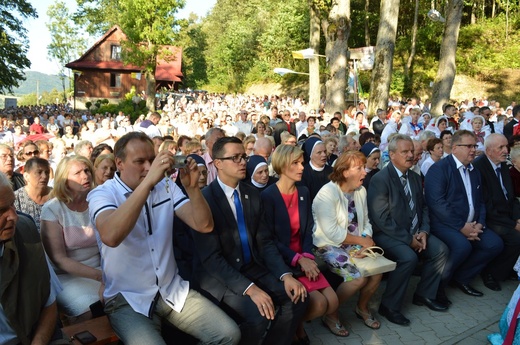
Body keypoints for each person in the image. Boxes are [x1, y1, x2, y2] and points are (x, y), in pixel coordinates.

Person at [87, 132, 240, 345]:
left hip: (171, 289)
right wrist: (147, 183)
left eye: (152, 160)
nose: (149, 167)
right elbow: (111, 236)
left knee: (228, 334)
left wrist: (192, 188)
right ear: (119, 163)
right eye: (140, 162)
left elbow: (204, 225)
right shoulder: (102, 194)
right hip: (128, 298)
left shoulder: (165, 186)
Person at [191, 136, 308, 345]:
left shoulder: (251, 194)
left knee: (297, 297)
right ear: (218, 163)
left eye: (243, 156)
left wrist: (285, 275)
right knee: (260, 315)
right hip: (222, 277)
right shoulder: (205, 200)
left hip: (253, 266)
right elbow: (211, 259)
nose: (243, 162)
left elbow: (264, 241)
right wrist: (250, 289)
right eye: (235, 158)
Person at [367, 134, 449, 326]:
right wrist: (408, 239)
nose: (411, 155)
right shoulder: (381, 179)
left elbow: (423, 207)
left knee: (441, 250)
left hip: (416, 232)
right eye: (405, 152)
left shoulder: (414, 176)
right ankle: (389, 306)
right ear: (392, 154)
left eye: (411, 151)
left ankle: (424, 294)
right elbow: (381, 220)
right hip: (388, 234)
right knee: (408, 257)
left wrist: (424, 231)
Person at [262, 145, 340, 342]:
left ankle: (294, 323)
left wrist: (307, 256)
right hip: (284, 262)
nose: (301, 167)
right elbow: (269, 239)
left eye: (302, 163)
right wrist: (297, 260)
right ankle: (292, 326)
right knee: (320, 304)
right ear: (281, 165)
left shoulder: (303, 191)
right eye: (295, 163)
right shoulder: (268, 196)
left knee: (332, 303)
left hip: (303, 258)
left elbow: (307, 230)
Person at [424, 130, 504, 302]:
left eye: (475, 146)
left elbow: (480, 201)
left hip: (471, 223)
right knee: (462, 246)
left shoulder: (474, 170)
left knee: (494, 244)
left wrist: (480, 224)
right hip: (445, 224)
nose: (473, 150)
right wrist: (462, 226)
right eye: (468, 146)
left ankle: (461, 278)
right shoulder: (439, 169)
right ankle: (437, 288)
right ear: (454, 148)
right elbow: (437, 204)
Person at [313, 151, 382, 331]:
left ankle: (362, 307)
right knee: (356, 279)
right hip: (328, 244)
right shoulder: (327, 193)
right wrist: (362, 240)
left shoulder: (360, 190)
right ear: (345, 172)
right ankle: (331, 314)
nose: (365, 172)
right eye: (359, 168)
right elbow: (332, 233)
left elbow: (366, 221)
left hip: (355, 242)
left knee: (377, 271)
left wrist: (367, 239)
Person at [0, 172, 62, 345]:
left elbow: (49, 303)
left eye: (12, 204)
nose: (13, 216)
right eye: (1, 211)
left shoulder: (25, 232)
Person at [40, 155, 102, 321]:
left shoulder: (98, 201)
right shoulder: (52, 209)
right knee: (92, 309)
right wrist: (101, 277)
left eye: (87, 170)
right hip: (65, 277)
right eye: (77, 173)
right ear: (63, 180)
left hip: (102, 269)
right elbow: (59, 260)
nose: (85, 176)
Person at [473, 133, 520, 291]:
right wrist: (513, 224)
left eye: (506, 146)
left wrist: (517, 218)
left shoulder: (502, 165)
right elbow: (486, 206)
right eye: (501, 147)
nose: (506, 150)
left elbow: (511, 198)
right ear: (488, 150)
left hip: (505, 215)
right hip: (489, 219)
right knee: (515, 238)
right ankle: (491, 273)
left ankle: (507, 269)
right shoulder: (479, 168)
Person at [14, 157, 52, 232]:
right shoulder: (15, 198)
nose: (44, 176)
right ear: (26, 176)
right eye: (39, 172)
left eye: (47, 172)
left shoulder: (57, 196)